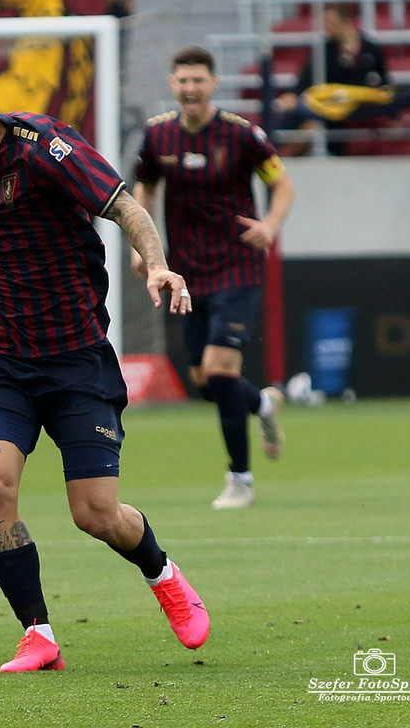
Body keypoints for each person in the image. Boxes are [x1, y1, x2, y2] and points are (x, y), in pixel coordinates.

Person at [0, 44, 209, 674]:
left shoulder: (44, 148)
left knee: (96, 514)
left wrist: (157, 265)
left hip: (76, 355)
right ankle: (38, 634)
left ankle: (163, 573)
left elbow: (126, 207)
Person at [132, 46, 295, 510]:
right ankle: (263, 405)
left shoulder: (242, 136)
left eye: (198, 80)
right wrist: (143, 246)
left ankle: (240, 480)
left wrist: (270, 227)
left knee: (223, 371)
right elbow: (144, 189)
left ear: (214, 83)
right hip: (186, 270)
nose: (190, 89)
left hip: (237, 264)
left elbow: (281, 183)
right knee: (205, 381)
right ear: (172, 85)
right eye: (183, 81)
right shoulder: (157, 136)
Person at [278, 3, 389, 155]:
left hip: (361, 109)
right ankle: (279, 159)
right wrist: (293, 95)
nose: (327, 27)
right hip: (330, 110)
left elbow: (384, 84)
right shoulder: (323, 50)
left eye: (331, 23)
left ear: (347, 22)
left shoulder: (371, 50)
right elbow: (305, 80)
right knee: (301, 119)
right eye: (325, 23)